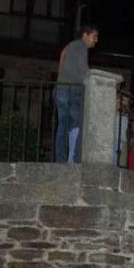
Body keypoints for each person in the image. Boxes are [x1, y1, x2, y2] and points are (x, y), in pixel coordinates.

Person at [55, 24, 98, 164]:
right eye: (94, 36)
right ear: (85, 35)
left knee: (63, 125)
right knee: (77, 125)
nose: (96, 40)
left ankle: (60, 159)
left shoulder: (69, 47)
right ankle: (73, 158)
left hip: (61, 88)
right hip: (72, 90)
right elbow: (84, 71)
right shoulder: (81, 47)